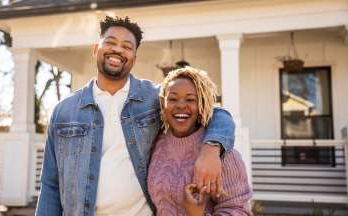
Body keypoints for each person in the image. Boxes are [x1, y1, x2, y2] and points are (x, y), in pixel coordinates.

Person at [35, 16, 235, 216]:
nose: (118, 50)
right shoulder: (64, 111)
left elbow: (216, 112)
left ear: (134, 58)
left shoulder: (154, 97)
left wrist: (212, 149)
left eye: (127, 46)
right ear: (96, 49)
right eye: (111, 42)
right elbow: (51, 185)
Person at [148, 67, 252, 215]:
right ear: (163, 103)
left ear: (202, 104)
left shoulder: (221, 153)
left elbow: (238, 210)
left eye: (190, 99)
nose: (181, 105)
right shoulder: (156, 142)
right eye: (172, 99)